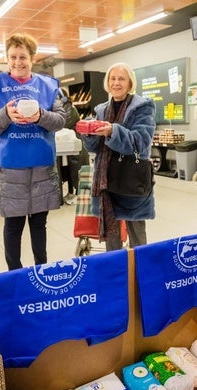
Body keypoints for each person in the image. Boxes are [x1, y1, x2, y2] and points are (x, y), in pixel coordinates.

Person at [0, 33, 66, 270]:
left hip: (41, 169)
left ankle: (41, 271)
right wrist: (5, 115)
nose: (18, 61)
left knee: (39, 225)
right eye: (13, 57)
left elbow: (59, 121)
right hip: (10, 171)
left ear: (33, 58)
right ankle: (14, 274)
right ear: (7, 59)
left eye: (23, 57)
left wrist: (40, 116)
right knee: (13, 226)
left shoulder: (48, 87)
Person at [81, 62, 156, 250]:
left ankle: (140, 274)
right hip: (107, 181)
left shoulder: (143, 107)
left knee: (137, 237)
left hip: (131, 178)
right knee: (112, 240)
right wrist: (88, 133)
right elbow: (95, 148)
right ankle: (115, 273)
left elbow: (141, 141)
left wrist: (112, 132)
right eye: (112, 78)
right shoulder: (100, 110)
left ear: (130, 83)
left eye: (121, 79)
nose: (116, 83)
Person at [59, 88, 89, 204]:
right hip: (70, 146)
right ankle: (72, 193)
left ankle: (78, 195)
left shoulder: (69, 109)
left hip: (76, 146)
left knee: (77, 172)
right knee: (71, 172)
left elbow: (61, 124)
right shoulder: (65, 108)